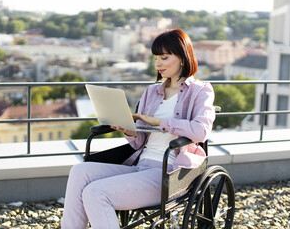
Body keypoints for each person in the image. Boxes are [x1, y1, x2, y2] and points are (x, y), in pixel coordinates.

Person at [61, 28, 216, 229]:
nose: (158, 64)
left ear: (183, 58)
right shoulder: (152, 92)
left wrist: (157, 122)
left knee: (95, 193)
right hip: (139, 165)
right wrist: (128, 129)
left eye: (164, 57)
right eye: (155, 58)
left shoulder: (200, 91)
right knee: (80, 171)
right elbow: (140, 142)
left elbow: (201, 130)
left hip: (169, 172)